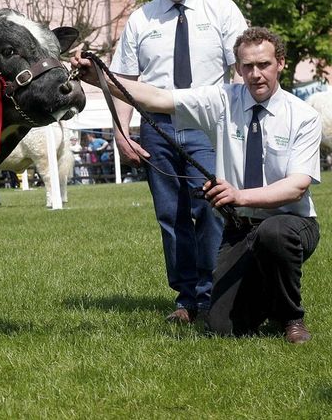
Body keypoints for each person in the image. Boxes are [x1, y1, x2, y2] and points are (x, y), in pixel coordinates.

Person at [75, 27, 322, 344]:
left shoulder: (303, 116)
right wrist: (99, 79)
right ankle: (267, 296)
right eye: (247, 66)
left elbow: (296, 187)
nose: (255, 74)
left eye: (264, 65)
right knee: (223, 328)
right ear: (237, 68)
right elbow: (158, 97)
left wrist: (238, 195)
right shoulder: (222, 100)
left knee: (273, 235)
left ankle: (291, 317)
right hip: (239, 228)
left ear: (281, 64)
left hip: (292, 223)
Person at [106, 0, 249, 323]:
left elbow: (243, 69)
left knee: (211, 209)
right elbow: (122, 80)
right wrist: (121, 131)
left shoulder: (222, 10)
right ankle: (186, 299)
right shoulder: (141, 19)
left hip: (208, 125)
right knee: (171, 216)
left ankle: (214, 293)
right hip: (157, 129)